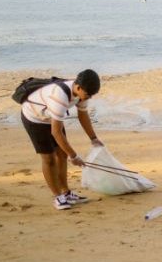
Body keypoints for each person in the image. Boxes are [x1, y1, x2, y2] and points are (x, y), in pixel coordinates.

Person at [20, 69, 104, 210]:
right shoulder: (59, 97)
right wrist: (74, 156)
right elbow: (56, 132)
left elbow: (82, 115)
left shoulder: (81, 93)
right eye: (88, 95)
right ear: (78, 87)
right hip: (34, 118)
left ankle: (66, 192)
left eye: (92, 95)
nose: (89, 98)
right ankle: (58, 197)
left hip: (51, 117)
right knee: (49, 159)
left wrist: (93, 138)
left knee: (62, 154)